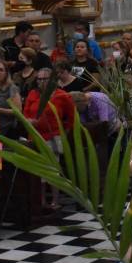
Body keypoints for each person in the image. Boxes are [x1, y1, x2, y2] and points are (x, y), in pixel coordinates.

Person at [23, 69, 76, 209]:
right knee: (39, 170)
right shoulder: (33, 94)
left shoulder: (61, 95)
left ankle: (55, 200)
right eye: (39, 79)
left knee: (52, 169)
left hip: (52, 136)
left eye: (45, 79)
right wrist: (30, 121)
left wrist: (63, 131)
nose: (42, 82)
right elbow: (25, 114)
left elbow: (71, 117)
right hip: (35, 136)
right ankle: (41, 201)